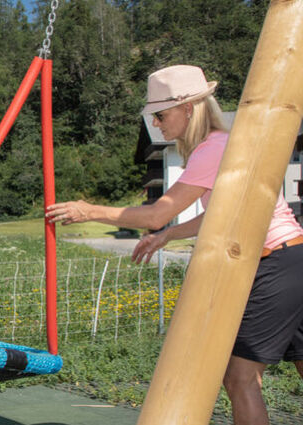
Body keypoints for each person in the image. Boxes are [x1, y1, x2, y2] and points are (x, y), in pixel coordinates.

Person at [45, 64, 303, 425]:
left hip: (273, 265)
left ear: (187, 108)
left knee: (239, 378)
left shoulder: (212, 150)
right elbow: (222, 216)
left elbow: (157, 213)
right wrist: (168, 235)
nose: (156, 124)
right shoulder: (225, 144)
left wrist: (88, 211)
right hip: (293, 258)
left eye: (161, 115)